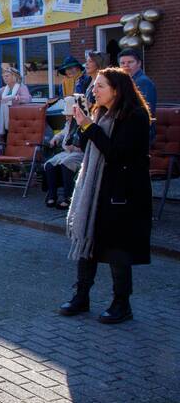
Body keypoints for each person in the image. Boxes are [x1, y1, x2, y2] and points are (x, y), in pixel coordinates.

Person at [60, 68, 152, 324]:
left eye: (100, 86)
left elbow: (117, 153)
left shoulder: (135, 116)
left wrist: (88, 125)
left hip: (122, 191)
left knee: (117, 249)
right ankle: (81, 296)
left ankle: (122, 303)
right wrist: (80, 122)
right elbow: (86, 145)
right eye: (94, 85)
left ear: (116, 89)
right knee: (87, 239)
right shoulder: (100, 113)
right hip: (97, 189)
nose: (94, 90)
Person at [44, 96, 83, 210]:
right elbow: (62, 132)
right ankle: (52, 194)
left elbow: (85, 144)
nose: (66, 117)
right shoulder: (69, 123)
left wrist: (75, 147)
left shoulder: (81, 123)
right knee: (50, 163)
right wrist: (55, 137)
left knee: (66, 162)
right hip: (67, 152)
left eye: (68, 115)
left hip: (79, 153)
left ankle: (68, 196)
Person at [0, 65, 32, 147]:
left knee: (17, 140)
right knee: (6, 139)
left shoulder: (21, 87)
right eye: (4, 76)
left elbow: (27, 99)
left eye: (7, 76)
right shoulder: (4, 89)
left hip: (18, 120)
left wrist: (16, 99)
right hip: (6, 121)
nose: (5, 78)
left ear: (14, 76)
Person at [117, 48, 157, 114]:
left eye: (130, 62)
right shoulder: (126, 81)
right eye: (122, 63)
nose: (126, 65)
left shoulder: (143, 81)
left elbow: (146, 111)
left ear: (139, 63)